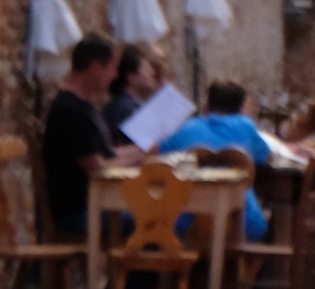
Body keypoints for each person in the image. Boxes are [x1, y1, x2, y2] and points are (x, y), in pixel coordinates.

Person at [42, 33, 138, 237]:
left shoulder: (85, 108)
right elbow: (99, 168)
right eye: (112, 67)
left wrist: (145, 151)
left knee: (158, 212)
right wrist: (142, 156)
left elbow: (108, 154)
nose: (115, 75)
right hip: (80, 212)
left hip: (95, 204)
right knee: (151, 220)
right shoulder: (69, 111)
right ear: (96, 67)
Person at [156, 81, 275, 241]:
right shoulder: (245, 126)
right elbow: (266, 156)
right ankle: (245, 265)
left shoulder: (188, 128)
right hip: (239, 225)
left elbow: (158, 157)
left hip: (186, 224)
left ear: (207, 106)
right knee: (266, 220)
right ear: (241, 109)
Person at [115, 45, 198, 154]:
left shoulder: (129, 105)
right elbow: (141, 151)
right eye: (146, 68)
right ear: (131, 77)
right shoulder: (127, 109)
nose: (152, 73)